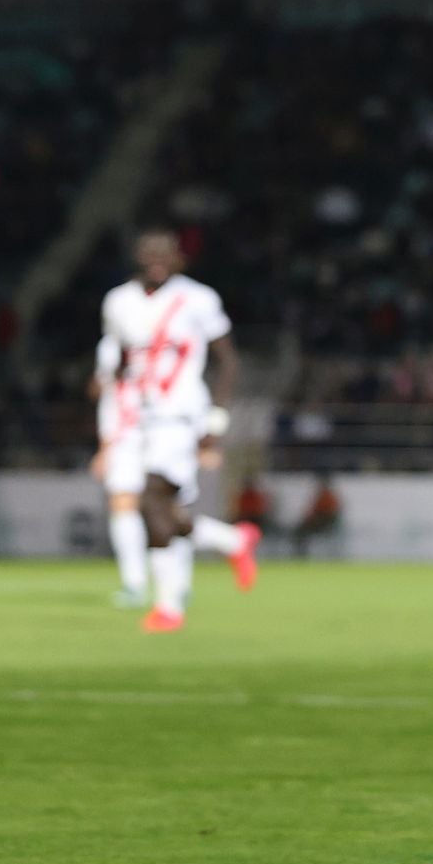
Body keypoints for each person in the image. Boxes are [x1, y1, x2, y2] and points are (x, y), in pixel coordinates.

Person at [98, 229, 260, 632]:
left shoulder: (198, 299)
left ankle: (169, 605)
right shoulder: (118, 302)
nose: (156, 259)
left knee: (155, 499)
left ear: (179, 258)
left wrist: (215, 422)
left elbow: (228, 362)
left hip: (179, 416)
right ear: (136, 256)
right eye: (148, 252)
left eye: (165, 253)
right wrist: (116, 410)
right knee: (160, 509)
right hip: (138, 418)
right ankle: (231, 541)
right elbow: (120, 358)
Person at [90, 332, 148, 607]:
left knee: (124, 507)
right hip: (159, 436)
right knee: (162, 510)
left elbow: (114, 402)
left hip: (129, 441)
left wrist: (105, 449)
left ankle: (135, 583)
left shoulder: (117, 347)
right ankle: (176, 584)